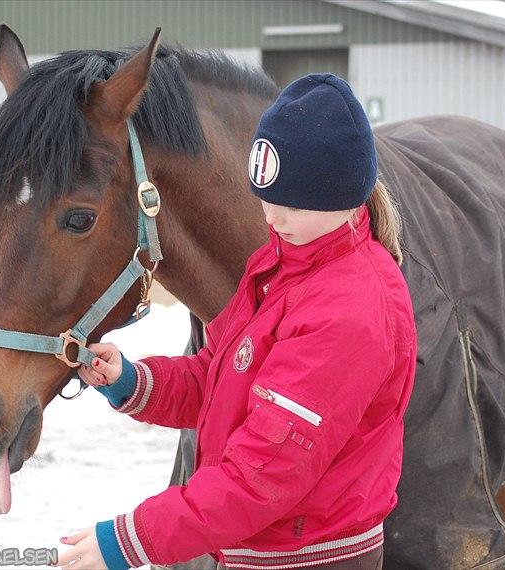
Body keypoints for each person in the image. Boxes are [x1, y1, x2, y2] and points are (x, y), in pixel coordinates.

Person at [55, 73, 417, 570]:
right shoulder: (280, 264)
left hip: (308, 560)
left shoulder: (349, 310)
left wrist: (131, 540)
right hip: (260, 550)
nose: (272, 217)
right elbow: (224, 375)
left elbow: (262, 474)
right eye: (265, 198)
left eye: (291, 204)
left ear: (342, 197)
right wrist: (134, 381)